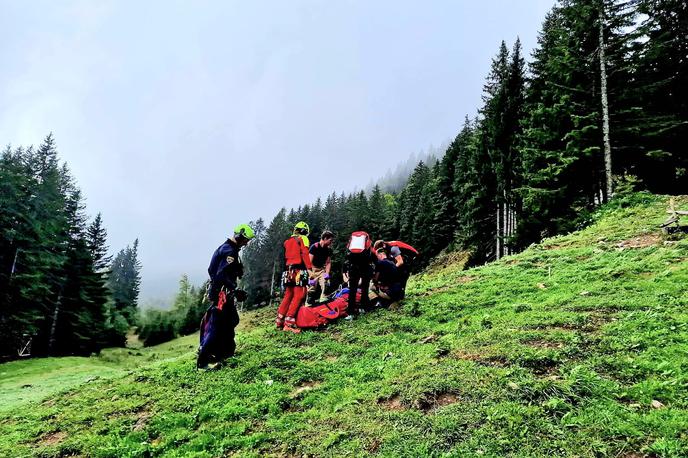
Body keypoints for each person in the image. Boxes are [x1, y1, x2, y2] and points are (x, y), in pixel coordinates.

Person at [198, 223, 255, 369]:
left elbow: (214, 270)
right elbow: (220, 275)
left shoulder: (228, 248)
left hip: (224, 292)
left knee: (231, 320)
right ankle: (203, 361)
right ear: (239, 236)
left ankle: (226, 352)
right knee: (216, 326)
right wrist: (235, 289)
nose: (246, 243)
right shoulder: (229, 251)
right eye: (245, 240)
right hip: (221, 293)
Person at [276, 221, 313, 333]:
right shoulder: (303, 239)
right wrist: (309, 269)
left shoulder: (288, 241)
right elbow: (305, 253)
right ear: (304, 231)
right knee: (299, 295)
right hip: (299, 271)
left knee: (288, 295)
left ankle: (279, 321)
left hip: (288, 271)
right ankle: (289, 323)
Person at [343, 231, 376, 316]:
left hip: (353, 268)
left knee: (352, 290)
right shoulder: (368, 247)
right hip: (365, 268)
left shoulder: (352, 247)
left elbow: (347, 257)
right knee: (365, 289)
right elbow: (374, 259)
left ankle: (351, 312)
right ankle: (364, 308)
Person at [306, 230, 334, 305]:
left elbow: (328, 262)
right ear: (325, 238)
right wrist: (310, 273)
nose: (331, 242)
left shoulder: (328, 250)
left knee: (326, 282)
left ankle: (323, 298)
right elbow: (308, 262)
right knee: (312, 286)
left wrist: (327, 273)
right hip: (312, 269)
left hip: (321, 269)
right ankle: (309, 302)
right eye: (330, 240)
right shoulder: (314, 247)